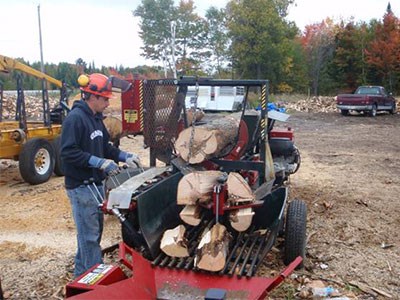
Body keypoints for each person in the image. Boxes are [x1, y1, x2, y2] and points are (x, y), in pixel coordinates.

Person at [60, 73, 140, 278]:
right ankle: (94, 279)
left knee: (91, 234)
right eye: (105, 99)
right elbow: (67, 153)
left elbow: (105, 147)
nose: (107, 103)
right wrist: (98, 162)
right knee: (89, 236)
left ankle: (80, 275)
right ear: (91, 96)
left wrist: (125, 156)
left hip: (95, 184)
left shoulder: (96, 120)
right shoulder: (75, 119)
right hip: (80, 186)